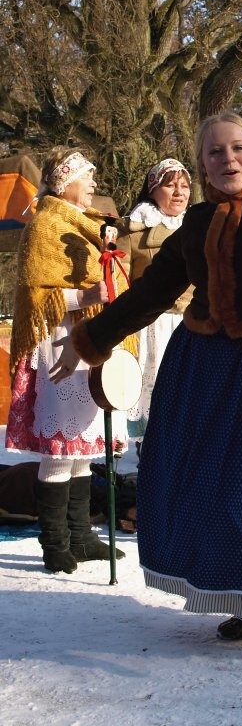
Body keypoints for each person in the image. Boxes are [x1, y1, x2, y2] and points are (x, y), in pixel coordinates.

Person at [51, 112, 242, 646]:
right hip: (204, 364)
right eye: (214, 151)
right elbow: (152, 293)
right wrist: (88, 343)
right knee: (211, 486)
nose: (227, 158)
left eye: (237, 148)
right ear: (201, 161)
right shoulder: (197, 222)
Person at [5, 146, 135, 574]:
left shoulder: (89, 226)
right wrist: (88, 295)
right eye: (89, 176)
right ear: (67, 181)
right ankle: (54, 542)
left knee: (83, 449)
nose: (95, 184)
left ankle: (81, 536)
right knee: (61, 450)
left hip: (90, 340)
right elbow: (35, 295)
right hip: (60, 341)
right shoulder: (45, 223)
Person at [117, 158, 193, 441]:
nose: (179, 192)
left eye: (184, 186)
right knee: (154, 394)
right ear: (152, 189)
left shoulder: (198, 228)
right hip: (151, 327)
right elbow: (119, 281)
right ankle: (147, 462)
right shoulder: (133, 229)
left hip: (191, 324)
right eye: (170, 185)